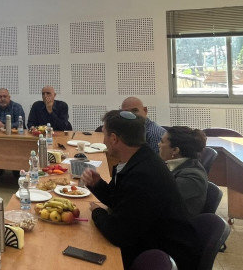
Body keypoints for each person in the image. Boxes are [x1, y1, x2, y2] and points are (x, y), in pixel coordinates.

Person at [81, 110, 199, 269]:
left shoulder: (142, 175)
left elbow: (118, 234)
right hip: (149, 242)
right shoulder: (140, 158)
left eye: (104, 134)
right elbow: (120, 201)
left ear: (114, 139)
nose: (103, 140)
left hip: (163, 257)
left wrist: (97, 212)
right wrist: (97, 185)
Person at [159, 126, 209, 216]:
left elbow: (158, 197)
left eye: (162, 142)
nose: (159, 145)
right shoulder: (174, 165)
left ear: (175, 150)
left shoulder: (193, 177)